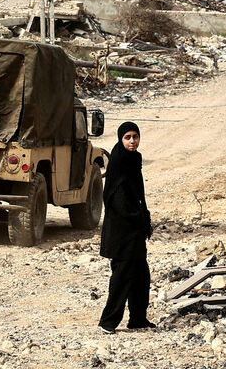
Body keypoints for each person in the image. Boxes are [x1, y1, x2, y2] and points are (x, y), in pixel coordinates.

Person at [98, 121, 155, 333]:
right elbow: (116, 198)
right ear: (121, 140)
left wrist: (145, 217)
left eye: (135, 137)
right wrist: (135, 217)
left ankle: (138, 318)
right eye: (128, 137)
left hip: (135, 230)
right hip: (122, 231)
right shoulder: (119, 162)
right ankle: (108, 322)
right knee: (121, 277)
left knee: (141, 275)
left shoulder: (134, 159)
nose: (132, 141)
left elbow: (138, 193)